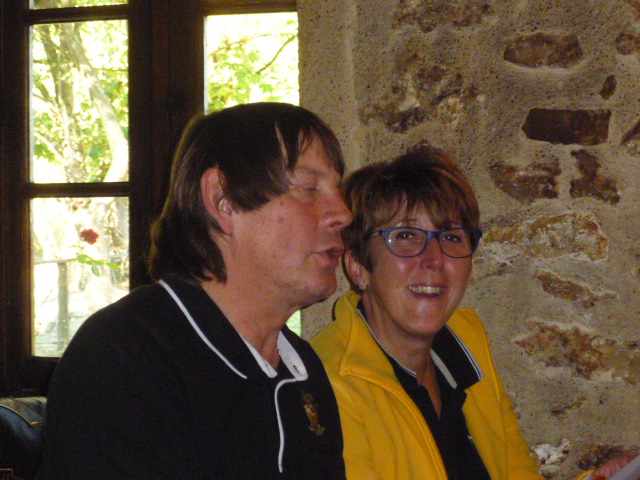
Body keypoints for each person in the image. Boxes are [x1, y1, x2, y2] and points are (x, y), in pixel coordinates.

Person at [37, 102, 352, 480]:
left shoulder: (301, 367)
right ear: (223, 200)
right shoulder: (125, 357)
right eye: (309, 188)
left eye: (337, 190)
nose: (343, 214)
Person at [311, 146, 634, 480]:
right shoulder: (328, 386)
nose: (435, 259)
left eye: (451, 237)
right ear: (358, 267)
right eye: (406, 236)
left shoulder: (465, 341)